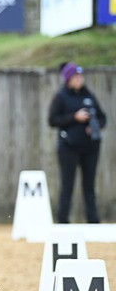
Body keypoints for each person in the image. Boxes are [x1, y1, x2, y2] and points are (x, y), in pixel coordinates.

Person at [48, 62, 106, 223]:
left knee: (89, 186)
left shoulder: (89, 95)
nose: (80, 79)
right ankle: (63, 221)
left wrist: (95, 127)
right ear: (68, 79)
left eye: (81, 76)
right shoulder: (61, 96)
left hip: (90, 147)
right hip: (68, 147)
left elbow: (103, 118)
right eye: (76, 76)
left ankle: (93, 221)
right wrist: (75, 117)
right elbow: (52, 120)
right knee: (67, 186)